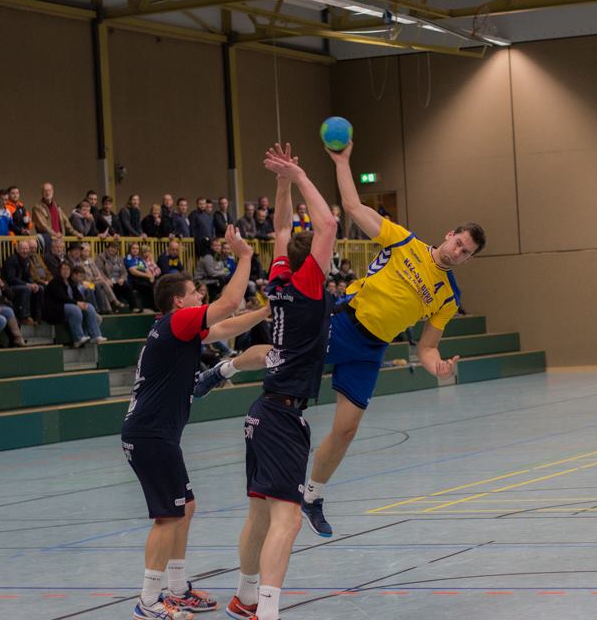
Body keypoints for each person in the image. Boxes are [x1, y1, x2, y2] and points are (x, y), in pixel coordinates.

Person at [301, 141, 486, 537]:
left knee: (346, 430)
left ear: (469, 260)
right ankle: (225, 367)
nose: (458, 251)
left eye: (466, 253)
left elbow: (427, 346)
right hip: (344, 322)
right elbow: (353, 206)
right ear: (449, 234)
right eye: (458, 242)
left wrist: (437, 367)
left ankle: (312, 497)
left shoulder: (448, 297)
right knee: (280, 355)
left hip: (371, 350)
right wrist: (342, 162)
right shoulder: (403, 241)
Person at [194, 143, 337, 620]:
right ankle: (267, 610)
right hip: (281, 416)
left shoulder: (279, 281)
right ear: (313, 263)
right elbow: (327, 224)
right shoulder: (309, 285)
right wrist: (297, 175)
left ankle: (246, 597)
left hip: (264, 413)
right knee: (288, 519)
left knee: (260, 515)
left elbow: (280, 229)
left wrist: (281, 184)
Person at [121, 225, 268, 620]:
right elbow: (229, 303)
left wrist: (267, 311)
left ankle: (177, 588)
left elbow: (223, 328)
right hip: (151, 435)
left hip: (155, 434)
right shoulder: (176, 323)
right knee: (168, 516)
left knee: (184, 507)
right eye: (195, 293)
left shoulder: (176, 331)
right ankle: (148, 601)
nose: (200, 296)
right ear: (178, 301)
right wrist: (245, 256)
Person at [43, 263, 105, 348]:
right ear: (59, 271)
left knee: (89, 307)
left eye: (68, 269)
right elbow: (62, 297)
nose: (66, 271)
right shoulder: (55, 282)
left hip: (70, 305)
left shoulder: (71, 282)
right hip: (56, 308)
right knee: (75, 309)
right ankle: (78, 339)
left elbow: (78, 295)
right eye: (64, 269)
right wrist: (76, 303)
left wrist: (82, 303)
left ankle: (95, 336)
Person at [3, 239, 45, 325]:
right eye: (23, 249)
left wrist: (33, 284)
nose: (25, 251)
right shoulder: (12, 260)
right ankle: (24, 317)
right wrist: (27, 284)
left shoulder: (27, 260)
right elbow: (11, 279)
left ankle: (37, 317)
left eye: (26, 249)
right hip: (10, 286)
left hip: (22, 284)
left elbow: (28, 276)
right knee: (26, 289)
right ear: (17, 249)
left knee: (39, 288)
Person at [97, 239, 136, 311]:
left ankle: (134, 308)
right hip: (108, 280)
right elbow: (99, 271)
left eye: (115, 248)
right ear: (108, 248)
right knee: (111, 287)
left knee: (127, 286)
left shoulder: (119, 258)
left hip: (118, 280)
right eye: (112, 247)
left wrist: (122, 278)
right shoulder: (101, 257)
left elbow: (124, 272)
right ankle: (114, 308)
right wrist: (106, 280)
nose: (113, 250)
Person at [125, 242, 155, 312]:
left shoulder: (139, 259)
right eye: (133, 248)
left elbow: (146, 269)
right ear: (130, 249)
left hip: (142, 280)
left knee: (154, 283)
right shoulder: (128, 258)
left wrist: (151, 276)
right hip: (133, 281)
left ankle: (155, 307)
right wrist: (147, 276)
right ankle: (152, 307)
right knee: (147, 286)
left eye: (137, 249)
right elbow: (133, 272)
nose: (135, 250)